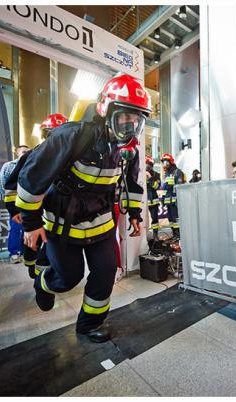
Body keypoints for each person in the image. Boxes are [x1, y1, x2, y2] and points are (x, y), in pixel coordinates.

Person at [16, 74, 149, 343]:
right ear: (105, 109)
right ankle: (43, 283)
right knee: (68, 278)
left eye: (137, 119)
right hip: (63, 223)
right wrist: (31, 224)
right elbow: (32, 177)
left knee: (106, 272)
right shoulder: (71, 135)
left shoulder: (129, 150)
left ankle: (89, 325)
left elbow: (132, 183)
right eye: (125, 116)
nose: (131, 125)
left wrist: (135, 214)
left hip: (101, 223)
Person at [4, 114, 68, 279]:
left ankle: (45, 273)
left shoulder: (70, 158)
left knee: (51, 244)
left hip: (56, 211)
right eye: (51, 134)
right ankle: (32, 265)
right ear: (44, 135)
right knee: (33, 241)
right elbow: (12, 184)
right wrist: (14, 210)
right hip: (34, 208)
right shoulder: (32, 155)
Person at [0, 145, 30, 264]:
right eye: (24, 152)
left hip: (29, 202)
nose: (27, 154)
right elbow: (0, 184)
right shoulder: (9, 166)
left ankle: (25, 252)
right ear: (17, 153)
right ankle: (14, 253)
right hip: (15, 203)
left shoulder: (33, 165)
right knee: (16, 227)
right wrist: (10, 199)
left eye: (28, 152)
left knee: (28, 227)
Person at [160, 153, 184, 239]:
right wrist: (163, 199)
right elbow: (165, 188)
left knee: (175, 219)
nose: (164, 164)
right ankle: (174, 234)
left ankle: (178, 235)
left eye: (166, 162)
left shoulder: (177, 172)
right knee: (170, 220)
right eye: (163, 162)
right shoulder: (167, 174)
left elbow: (179, 187)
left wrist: (178, 200)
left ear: (170, 162)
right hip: (168, 202)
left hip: (175, 202)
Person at [145, 155, 162, 239]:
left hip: (153, 201)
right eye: (145, 164)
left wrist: (150, 178)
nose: (147, 166)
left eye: (148, 164)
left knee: (154, 219)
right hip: (143, 201)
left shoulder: (156, 175)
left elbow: (157, 187)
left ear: (151, 165)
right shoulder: (139, 174)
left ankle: (155, 235)